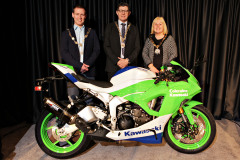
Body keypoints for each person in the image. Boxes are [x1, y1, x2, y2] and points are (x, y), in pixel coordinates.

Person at [60, 4, 100, 99]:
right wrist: (79, 65)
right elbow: (64, 53)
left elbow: (97, 50)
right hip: (73, 71)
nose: (80, 17)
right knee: (74, 100)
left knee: (89, 100)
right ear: (73, 15)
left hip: (89, 71)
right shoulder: (66, 33)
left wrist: (87, 64)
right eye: (77, 14)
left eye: (82, 14)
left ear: (85, 16)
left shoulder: (92, 32)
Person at [104, 2, 140, 81]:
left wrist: (127, 60)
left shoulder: (134, 29)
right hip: (113, 67)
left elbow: (137, 48)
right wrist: (118, 61)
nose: (123, 13)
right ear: (117, 12)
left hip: (129, 67)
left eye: (125, 11)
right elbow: (106, 46)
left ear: (129, 13)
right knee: (113, 93)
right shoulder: (110, 27)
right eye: (121, 10)